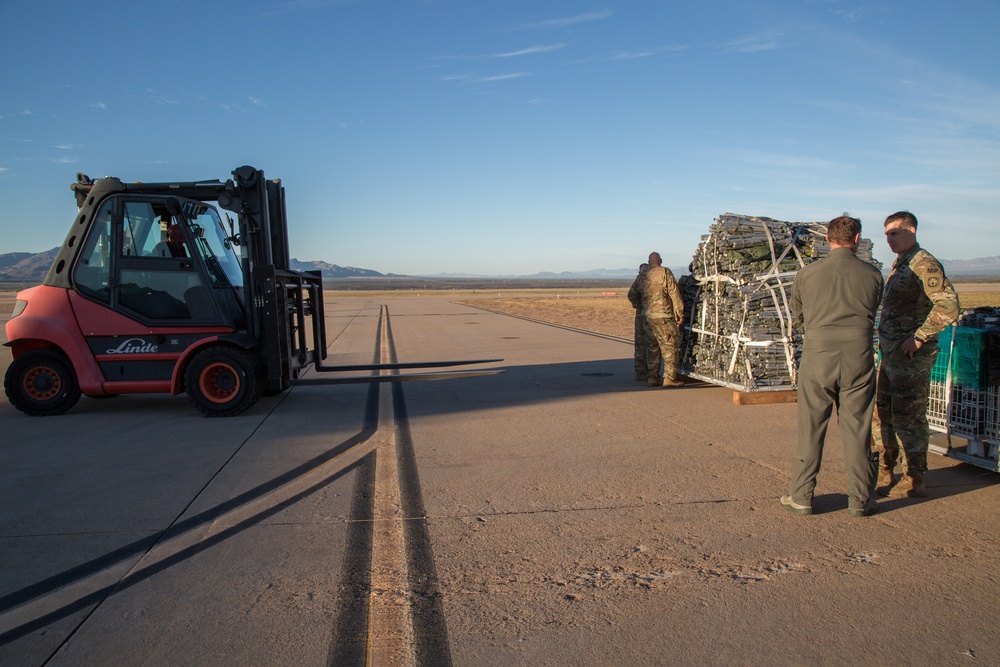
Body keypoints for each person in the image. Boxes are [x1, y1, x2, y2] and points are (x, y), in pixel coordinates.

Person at [780, 215, 884, 517]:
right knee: (857, 428)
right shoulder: (873, 274)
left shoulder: (807, 274)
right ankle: (861, 499)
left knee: (811, 427)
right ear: (857, 238)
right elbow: (874, 308)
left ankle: (801, 495)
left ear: (828, 238)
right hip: (859, 357)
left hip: (819, 354)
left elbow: (797, 315)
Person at [873, 211, 959, 498]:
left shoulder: (924, 263)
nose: (889, 239)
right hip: (890, 355)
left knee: (908, 417)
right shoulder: (902, 263)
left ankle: (915, 476)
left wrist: (920, 337)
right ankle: (886, 470)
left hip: (910, 359)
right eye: (886, 234)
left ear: (911, 230)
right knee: (882, 414)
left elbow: (948, 306)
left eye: (894, 233)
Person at [639, 252, 685, 388]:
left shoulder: (643, 275)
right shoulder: (665, 272)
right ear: (660, 261)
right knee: (670, 347)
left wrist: (641, 306)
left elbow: (632, 293)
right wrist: (680, 312)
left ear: (648, 261)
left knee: (652, 346)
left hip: (648, 317)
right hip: (664, 317)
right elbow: (674, 293)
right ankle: (669, 379)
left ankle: (652, 377)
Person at [627, 263, 650, 381]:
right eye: (643, 271)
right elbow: (631, 295)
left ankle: (652, 373)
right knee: (640, 345)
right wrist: (639, 306)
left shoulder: (654, 280)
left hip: (653, 317)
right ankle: (641, 372)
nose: (645, 273)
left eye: (647, 271)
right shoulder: (639, 281)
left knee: (653, 345)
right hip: (641, 317)